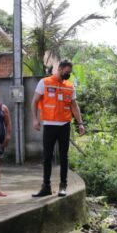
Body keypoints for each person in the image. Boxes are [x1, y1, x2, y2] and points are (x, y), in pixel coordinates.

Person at [32, 60, 85, 197]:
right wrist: (35, 119)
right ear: (60, 69)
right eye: (67, 72)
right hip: (49, 125)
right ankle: (46, 187)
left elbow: (74, 105)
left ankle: (63, 186)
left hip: (64, 126)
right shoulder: (45, 82)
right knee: (47, 157)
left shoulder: (69, 85)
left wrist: (80, 123)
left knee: (64, 157)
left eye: (70, 73)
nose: (68, 75)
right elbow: (35, 101)